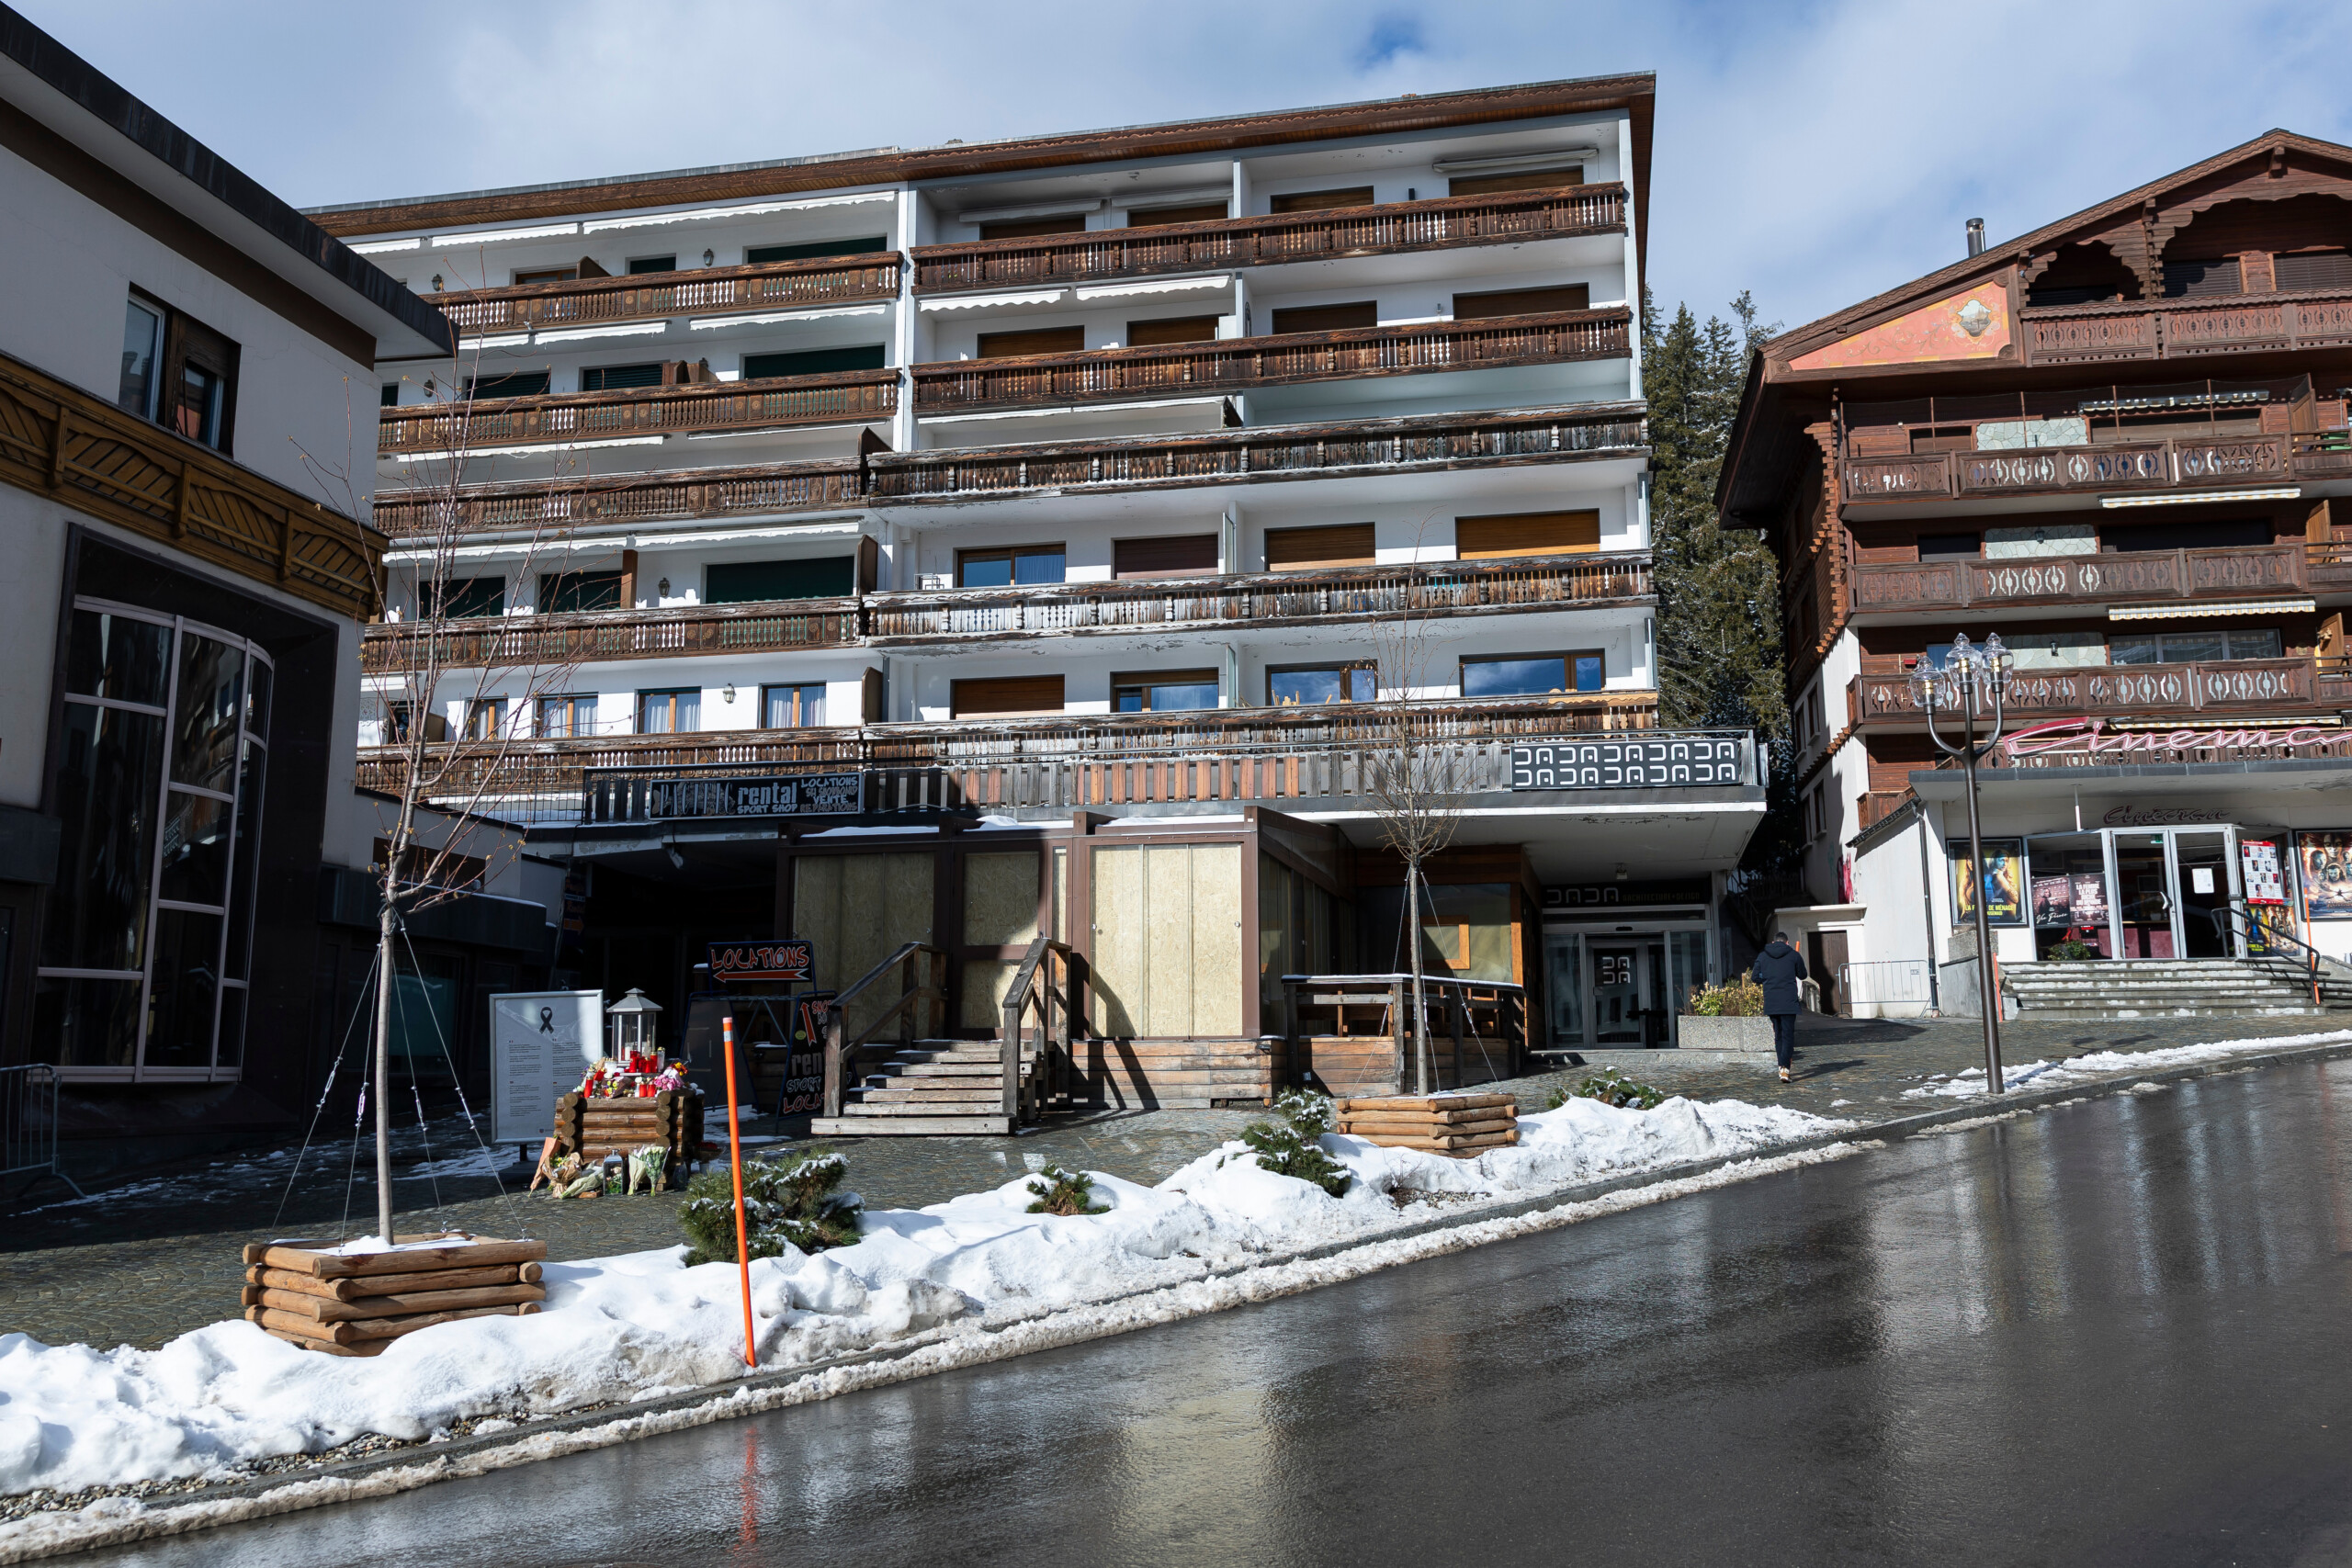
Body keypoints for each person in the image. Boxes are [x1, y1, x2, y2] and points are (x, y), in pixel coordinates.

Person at [1751, 931, 1809, 1083]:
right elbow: (1803, 975)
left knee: (1778, 1035)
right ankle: (1785, 1068)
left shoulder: (1763, 955)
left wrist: (1768, 977)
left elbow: (1755, 977)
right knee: (1788, 1035)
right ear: (1787, 942)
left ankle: (1781, 1067)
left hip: (1772, 1001)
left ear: (1773, 942)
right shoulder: (1794, 955)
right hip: (1789, 1001)